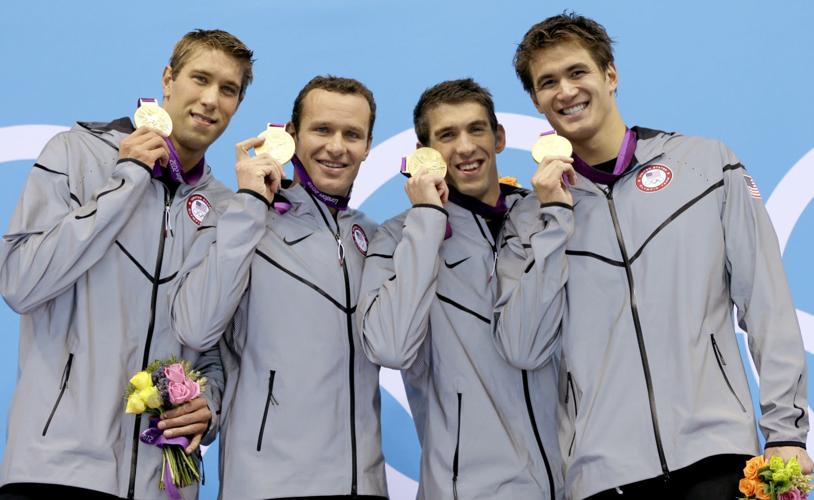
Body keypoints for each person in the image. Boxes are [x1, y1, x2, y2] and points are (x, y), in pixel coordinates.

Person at [496, 12, 811, 499]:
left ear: (610, 74)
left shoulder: (705, 165)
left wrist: (786, 431)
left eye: (577, 72)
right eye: (547, 82)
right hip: (604, 475)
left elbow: (766, 305)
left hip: (717, 457)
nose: (565, 91)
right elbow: (523, 347)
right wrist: (554, 218)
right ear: (537, 101)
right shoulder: (530, 217)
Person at [0, 29, 254, 499]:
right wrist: (128, 179)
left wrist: (209, 404)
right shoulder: (76, 153)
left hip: (164, 482)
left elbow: (215, 347)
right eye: (200, 79)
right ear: (168, 79)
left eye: (228, 89)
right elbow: (20, 282)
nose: (210, 100)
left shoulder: (225, 208)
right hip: (58, 470)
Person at [170, 75, 387, 499]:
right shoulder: (240, 216)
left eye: (352, 134)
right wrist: (251, 203)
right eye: (322, 129)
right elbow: (196, 329)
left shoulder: (375, 238)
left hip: (364, 485)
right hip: (267, 486)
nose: (337, 147)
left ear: (367, 146)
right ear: (291, 136)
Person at [358, 78, 565, 499]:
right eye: (447, 136)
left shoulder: (546, 214)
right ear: (424, 154)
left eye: (476, 129)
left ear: (500, 137)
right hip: (464, 489)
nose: (466, 147)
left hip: (572, 484)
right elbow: (391, 348)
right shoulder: (400, 236)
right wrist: (428, 222)